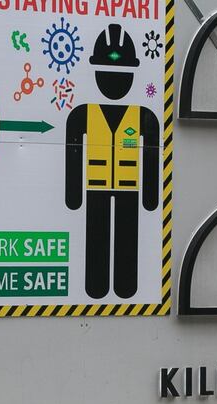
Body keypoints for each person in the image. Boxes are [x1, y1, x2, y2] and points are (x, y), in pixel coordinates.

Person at [65, 24, 160, 299]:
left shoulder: (144, 115)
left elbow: (152, 154)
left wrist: (150, 196)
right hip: (95, 188)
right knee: (96, 236)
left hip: (130, 190)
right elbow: (73, 151)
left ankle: (126, 286)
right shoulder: (82, 114)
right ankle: (95, 286)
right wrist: (74, 195)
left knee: (127, 238)